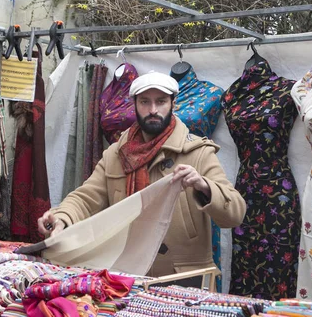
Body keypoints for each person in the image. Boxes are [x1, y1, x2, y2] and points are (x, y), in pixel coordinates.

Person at [38, 71, 246, 277]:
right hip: (126, 273)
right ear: (135, 105)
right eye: (145, 102)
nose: (153, 110)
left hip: (184, 277)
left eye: (161, 101)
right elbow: (86, 198)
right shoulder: (117, 154)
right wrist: (61, 217)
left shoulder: (198, 153)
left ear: (173, 104)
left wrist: (204, 187)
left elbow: (235, 214)